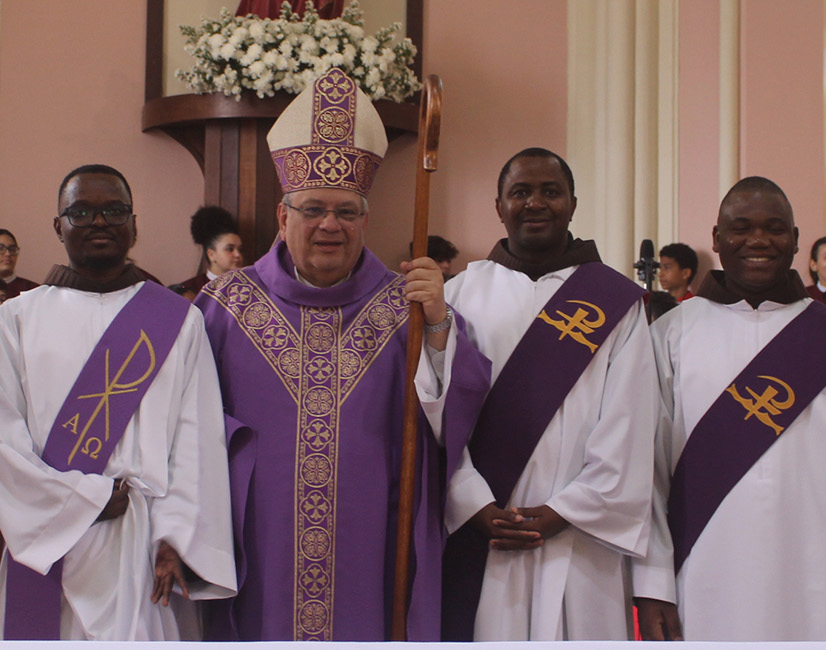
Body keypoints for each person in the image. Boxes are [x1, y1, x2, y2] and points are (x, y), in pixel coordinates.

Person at [193, 69, 491, 641]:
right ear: (283, 217)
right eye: (312, 209)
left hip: (372, 553)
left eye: (346, 211)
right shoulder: (226, 309)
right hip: (257, 553)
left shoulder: (403, 308)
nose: (330, 224)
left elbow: (455, 423)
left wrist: (436, 330)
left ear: (365, 220)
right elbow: (185, 432)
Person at [0, 164, 236, 640]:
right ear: (58, 226)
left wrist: (177, 537)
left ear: (134, 223)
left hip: (144, 548)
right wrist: (80, 500)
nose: (98, 222)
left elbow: (197, 438)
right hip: (47, 541)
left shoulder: (177, 320)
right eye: (81, 211)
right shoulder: (14, 321)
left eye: (113, 210)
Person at [633, 177, 826, 642]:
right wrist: (652, 584)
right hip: (699, 570)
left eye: (774, 228)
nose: (759, 240)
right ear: (716, 238)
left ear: (795, 238)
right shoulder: (670, 333)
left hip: (810, 575)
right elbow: (649, 471)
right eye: (741, 227)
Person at [438, 148, 655, 641]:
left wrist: (566, 511)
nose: (535, 203)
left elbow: (631, 420)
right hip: (478, 533)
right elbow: (439, 410)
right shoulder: (459, 296)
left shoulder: (616, 302)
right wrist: (471, 503)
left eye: (550, 192)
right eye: (520, 192)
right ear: (499, 206)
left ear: (573, 204)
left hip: (580, 542)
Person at [172, 206, 243, 299]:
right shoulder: (190, 291)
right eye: (230, 249)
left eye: (240, 249)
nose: (238, 255)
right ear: (211, 254)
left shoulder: (246, 287)